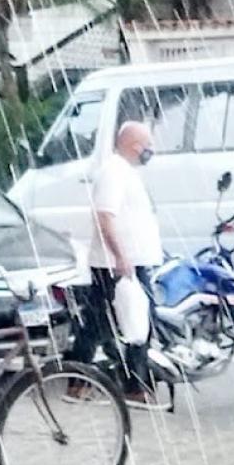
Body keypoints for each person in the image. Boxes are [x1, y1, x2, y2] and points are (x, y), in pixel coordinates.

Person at [69, 120, 162, 409]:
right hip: (118, 265)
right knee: (130, 323)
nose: (151, 151)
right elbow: (104, 217)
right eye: (148, 145)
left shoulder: (125, 172)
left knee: (106, 323)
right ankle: (133, 385)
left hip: (126, 262)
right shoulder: (114, 172)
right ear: (134, 145)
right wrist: (121, 257)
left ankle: (83, 380)